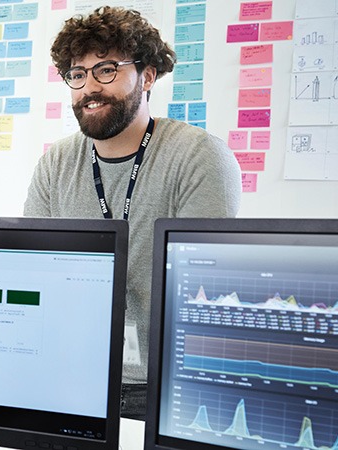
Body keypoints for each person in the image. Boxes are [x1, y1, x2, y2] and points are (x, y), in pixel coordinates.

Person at [24, 7, 240, 419]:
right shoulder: (55, 165)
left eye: (106, 70)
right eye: (77, 74)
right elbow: (38, 276)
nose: (89, 88)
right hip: (73, 381)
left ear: (148, 75)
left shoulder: (199, 158)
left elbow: (207, 298)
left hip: (166, 390)